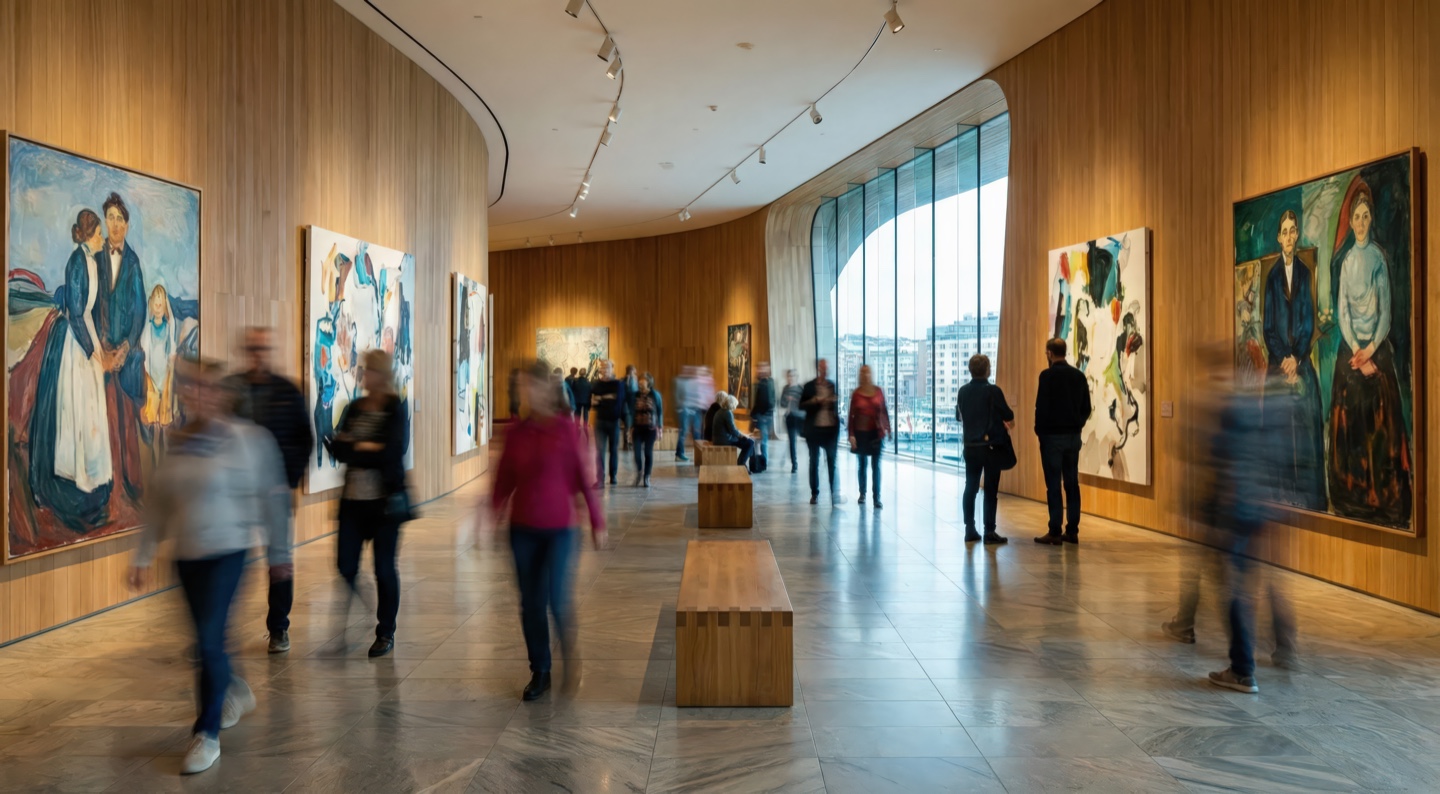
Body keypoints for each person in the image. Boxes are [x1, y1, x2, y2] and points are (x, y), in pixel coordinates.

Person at [128, 357, 289, 774]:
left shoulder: (249, 440)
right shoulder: (178, 442)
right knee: (208, 640)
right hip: (186, 556)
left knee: (207, 642)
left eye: (205, 387)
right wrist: (143, 556)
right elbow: (159, 504)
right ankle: (234, 687)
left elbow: (273, 499)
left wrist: (279, 554)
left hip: (229, 552)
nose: (196, 394)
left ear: (221, 395)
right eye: (190, 386)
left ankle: (207, 733)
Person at [486, 360, 606, 701]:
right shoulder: (516, 433)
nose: (529, 393)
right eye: (525, 387)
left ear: (547, 389)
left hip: (561, 529)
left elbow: (582, 478)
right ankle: (540, 670)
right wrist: (491, 514)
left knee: (556, 598)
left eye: (534, 386)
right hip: (522, 530)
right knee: (531, 603)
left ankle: (569, 649)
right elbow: (503, 480)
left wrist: (597, 521)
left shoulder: (567, 430)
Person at [222, 327, 314, 654]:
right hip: (236, 494)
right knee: (229, 559)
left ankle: (278, 628)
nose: (257, 355)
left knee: (279, 561)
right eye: (252, 349)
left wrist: (288, 480)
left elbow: (304, 439)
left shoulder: (287, 392)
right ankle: (219, 628)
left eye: (262, 349)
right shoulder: (231, 389)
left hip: (275, 493)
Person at [1327, 185, 1412, 527]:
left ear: (1371, 220)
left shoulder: (1378, 258)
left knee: (1383, 411)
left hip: (1376, 346)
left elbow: (1386, 315)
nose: (1360, 223)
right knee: (1346, 412)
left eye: (1365, 217)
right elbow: (1343, 313)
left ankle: (1383, 498)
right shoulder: (1347, 262)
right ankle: (1352, 497)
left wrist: (1371, 351)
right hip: (1352, 348)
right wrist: (1356, 351)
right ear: (1351, 222)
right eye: (1356, 218)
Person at [29, 208, 114, 530]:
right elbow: (77, 314)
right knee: (77, 410)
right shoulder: (77, 261)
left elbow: (91, 312)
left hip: (87, 337)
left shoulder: (93, 261)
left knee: (91, 413)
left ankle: (92, 479)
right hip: (75, 344)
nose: (103, 238)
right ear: (89, 235)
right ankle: (73, 481)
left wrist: (100, 349)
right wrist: (93, 353)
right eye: (99, 234)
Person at [326, 349, 412, 658]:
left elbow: (392, 452)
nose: (365, 375)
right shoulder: (355, 408)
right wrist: (368, 447)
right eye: (364, 369)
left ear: (382, 374)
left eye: (370, 370)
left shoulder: (395, 408)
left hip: (385, 504)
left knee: (384, 569)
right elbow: (338, 448)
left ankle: (385, 631)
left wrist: (357, 446)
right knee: (345, 566)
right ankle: (363, 612)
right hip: (353, 502)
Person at [1262, 210, 1325, 510]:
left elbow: (1307, 324)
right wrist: (1284, 359)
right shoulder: (1272, 278)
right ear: (1279, 238)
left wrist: (1297, 359)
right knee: (1276, 423)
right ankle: (1279, 495)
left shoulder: (1305, 274)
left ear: (1297, 235)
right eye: (1284, 232)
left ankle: (1310, 499)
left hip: (1300, 361)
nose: (1288, 237)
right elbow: (1268, 329)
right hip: (1278, 363)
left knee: (1308, 413)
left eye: (1292, 231)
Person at [98, 192, 148, 503]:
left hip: (126, 357)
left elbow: (140, 310)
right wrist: (102, 349)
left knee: (127, 421)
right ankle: (106, 488)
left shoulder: (133, 262)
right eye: (111, 218)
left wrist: (126, 348)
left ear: (127, 226)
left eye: (120, 219)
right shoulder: (96, 256)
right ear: (105, 222)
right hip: (101, 354)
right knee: (103, 421)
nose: (115, 224)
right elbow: (92, 304)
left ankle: (132, 487)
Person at [1034, 338, 1091, 544]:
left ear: (1049, 353)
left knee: (1053, 484)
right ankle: (1072, 530)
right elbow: (1086, 408)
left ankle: (1055, 530)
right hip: (1073, 437)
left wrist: (1040, 431)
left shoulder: (1046, 376)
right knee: (1072, 483)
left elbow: (1041, 407)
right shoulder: (1078, 376)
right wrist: (1077, 425)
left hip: (1051, 438)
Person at [957, 354, 1013, 544]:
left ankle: (969, 529)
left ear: (970, 370)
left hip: (970, 447)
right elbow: (1008, 415)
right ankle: (989, 531)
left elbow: (959, 416)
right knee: (990, 490)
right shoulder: (993, 391)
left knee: (970, 488)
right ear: (987, 370)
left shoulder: (963, 391)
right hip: (991, 448)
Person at [848, 365, 890, 509]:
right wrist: (851, 435)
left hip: (876, 433)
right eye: (863, 373)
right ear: (860, 375)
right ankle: (862, 494)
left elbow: (884, 410)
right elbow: (851, 416)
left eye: (868, 373)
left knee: (876, 466)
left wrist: (888, 428)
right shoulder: (856, 393)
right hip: (861, 433)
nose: (866, 375)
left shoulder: (878, 391)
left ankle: (876, 497)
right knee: (862, 465)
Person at [801, 359, 841, 505]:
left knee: (831, 462)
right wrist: (815, 401)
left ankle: (833, 493)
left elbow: (834, 408)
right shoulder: (809, 386)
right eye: (823, 367)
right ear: (818, 368)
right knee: (814, 462)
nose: (825, 370)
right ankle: (814, 493)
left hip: (830, 430)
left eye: (827, 367)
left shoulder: (832, 385)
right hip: (814, 430)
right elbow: (801, 405)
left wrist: (832, 401)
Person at [590, 360, 626, 486]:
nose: (604, 370)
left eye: (607, 367)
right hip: (600, 421)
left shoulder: (618, 384)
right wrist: (607, 398)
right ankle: (600, 479)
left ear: (612, 369)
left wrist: (602, 399)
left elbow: (618, 403)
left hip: (614, 421)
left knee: (613, 450)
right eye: (603, 367)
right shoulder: (596, 384)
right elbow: (594, 403)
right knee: (600, 451)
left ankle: (613, 476)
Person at [631, 372, 663, 487]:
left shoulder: (655, 395)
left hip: (650, 428)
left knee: (648, 453)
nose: (640, 382)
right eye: (639, 380)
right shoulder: (635, 395)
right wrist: (630, 427)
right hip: (637, 429)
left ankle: (647, 476)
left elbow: (659, 411)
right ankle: (639, 472)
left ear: (648, 382)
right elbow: (632, 411)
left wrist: (660, 428)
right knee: (637, 454)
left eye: (643, 380)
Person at [710, 392, 754, 468]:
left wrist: (742, 434)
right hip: (724, 440)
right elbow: (733, 430)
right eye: (735, 405)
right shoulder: (727, 413)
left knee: (749, 441)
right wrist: (743, 435)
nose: (736, 407)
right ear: (732, 405)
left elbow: (732, 429)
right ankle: (741, 464)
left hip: (718, 439)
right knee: (750, 443)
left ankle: (749, 464)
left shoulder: (720, 411)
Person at [751, 362, 775, 465]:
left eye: (762, 368)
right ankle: (761, 461)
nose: (759, 370)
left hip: (763, 415)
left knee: (762, 440)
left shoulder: (764, 383)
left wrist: (755, 414)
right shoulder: (768, 382)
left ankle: (763, 462)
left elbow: (764, 401)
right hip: (765, 414)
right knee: (762, 439)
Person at [780, 369, 804, 473]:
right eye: (789, 376)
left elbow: (804, 403)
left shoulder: (800, 388)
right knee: (792, 441)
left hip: (800, 417)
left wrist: (794, 399)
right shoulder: (785, 388)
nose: (790, 378)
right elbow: (782, 403)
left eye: (792, 376)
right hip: (790, 417)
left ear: (796, 377)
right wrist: (787, 400)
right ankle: (794, 464)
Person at [673, 367, 695, 462]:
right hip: (683, 410)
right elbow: (677, 397)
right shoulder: (679, 382)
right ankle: (679, 454)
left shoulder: (687, 382)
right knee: (683, 432)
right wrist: (683, 408)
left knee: (684, 432)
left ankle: (680, 453)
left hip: (686, 409)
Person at [621, 364, 638, 452]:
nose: (635, 372)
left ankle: (629, 443)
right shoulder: (627, 380)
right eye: (634, 370)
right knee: (628, 426)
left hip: (631, 407)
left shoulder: (634, 380)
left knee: (630, 426)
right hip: (628, 407)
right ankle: (627, 444)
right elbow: (630, 391)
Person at [570, 366, 592, 432]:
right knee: (585, 414)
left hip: (577, 401)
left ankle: (577, 425)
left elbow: (572, 391)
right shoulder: (588, 382)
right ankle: (585, 425)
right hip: (586, 401)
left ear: (579, 373)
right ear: (585, 374)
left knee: (578, 414)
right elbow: (590, 393)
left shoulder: (575, 381)